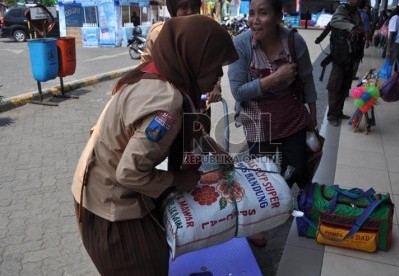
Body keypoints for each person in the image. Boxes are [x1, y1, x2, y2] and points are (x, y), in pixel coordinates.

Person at [71, 15, 238, 275]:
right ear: (193, 61)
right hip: (111, 212)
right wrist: (179, 179)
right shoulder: (167, 103)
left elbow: (192, 129)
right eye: (215, 66)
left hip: (95, 194)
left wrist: (217, 153)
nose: (219, 75)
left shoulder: (157, 74)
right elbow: (129, 173)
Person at [228, 0, 318, 246]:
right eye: (251, 13)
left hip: (291, 117)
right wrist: (273, 79)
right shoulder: (241, 44)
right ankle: (260, 221)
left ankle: (282, 201)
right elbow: (238, 92)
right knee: (261, 177)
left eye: (263, 13)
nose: (254, 20)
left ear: (279, 16)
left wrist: (314, 114)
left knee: (298, 168)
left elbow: (307, 79)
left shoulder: (294, 42)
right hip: (258, 121)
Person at [141, 0, 221, 133]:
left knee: (200, 146)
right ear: (173, 10)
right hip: (167, 108)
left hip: (200, 105)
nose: (190, 12)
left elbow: (214, 64)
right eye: (184, 7)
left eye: (194, 7)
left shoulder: (206, 32)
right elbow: (145, 68)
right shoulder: (158, 33)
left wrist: (216, 85)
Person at [325, 0, 365, 126]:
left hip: (351, 55)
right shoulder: (342, 8)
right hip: (340, 55)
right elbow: (334, 21)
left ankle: (338, 112)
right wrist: (351, 27)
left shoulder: (356, 12)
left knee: (345, 86)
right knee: (335, 86)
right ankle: (332, 115)